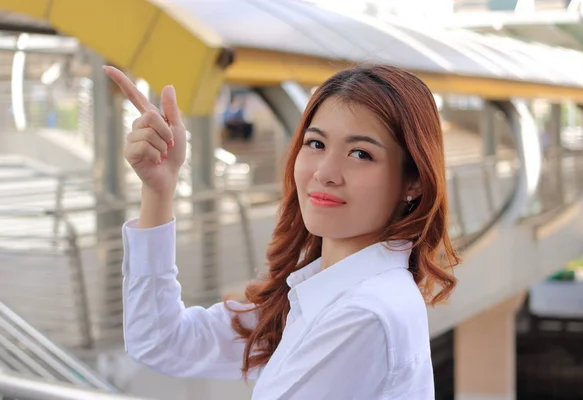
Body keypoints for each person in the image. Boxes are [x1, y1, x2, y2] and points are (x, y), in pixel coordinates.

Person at [104, 64, 459, 399]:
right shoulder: (319, 292)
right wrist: (159, 189)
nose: (325, 172)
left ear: (412, 181)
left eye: (361, 153)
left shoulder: (364, 313)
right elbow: (161, 342)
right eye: (316, 144)